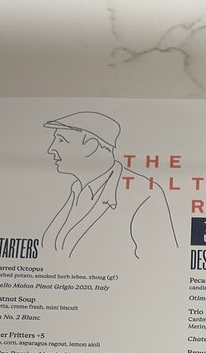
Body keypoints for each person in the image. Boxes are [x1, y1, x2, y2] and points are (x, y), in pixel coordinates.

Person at [42, 111, 178, 260]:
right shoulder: (76, 189)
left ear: (91, 146)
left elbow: (160, 261)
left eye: (61, 140)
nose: (51, 149)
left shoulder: (146, 194)